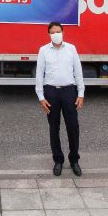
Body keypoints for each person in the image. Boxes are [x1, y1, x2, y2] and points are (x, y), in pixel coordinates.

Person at [35, 21, 85, 176]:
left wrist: (81, 93)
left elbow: (78, 71)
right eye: (53, 32)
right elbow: (39, 74)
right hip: (51, 92)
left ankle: (74, 160)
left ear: (63, 32)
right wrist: (41, 96)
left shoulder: (71, 49)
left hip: (69, 91)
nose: (56, 34)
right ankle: (58, 160)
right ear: (49, 34)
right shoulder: (43, 50)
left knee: (73, 127)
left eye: (58, 31)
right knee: (53, 128)